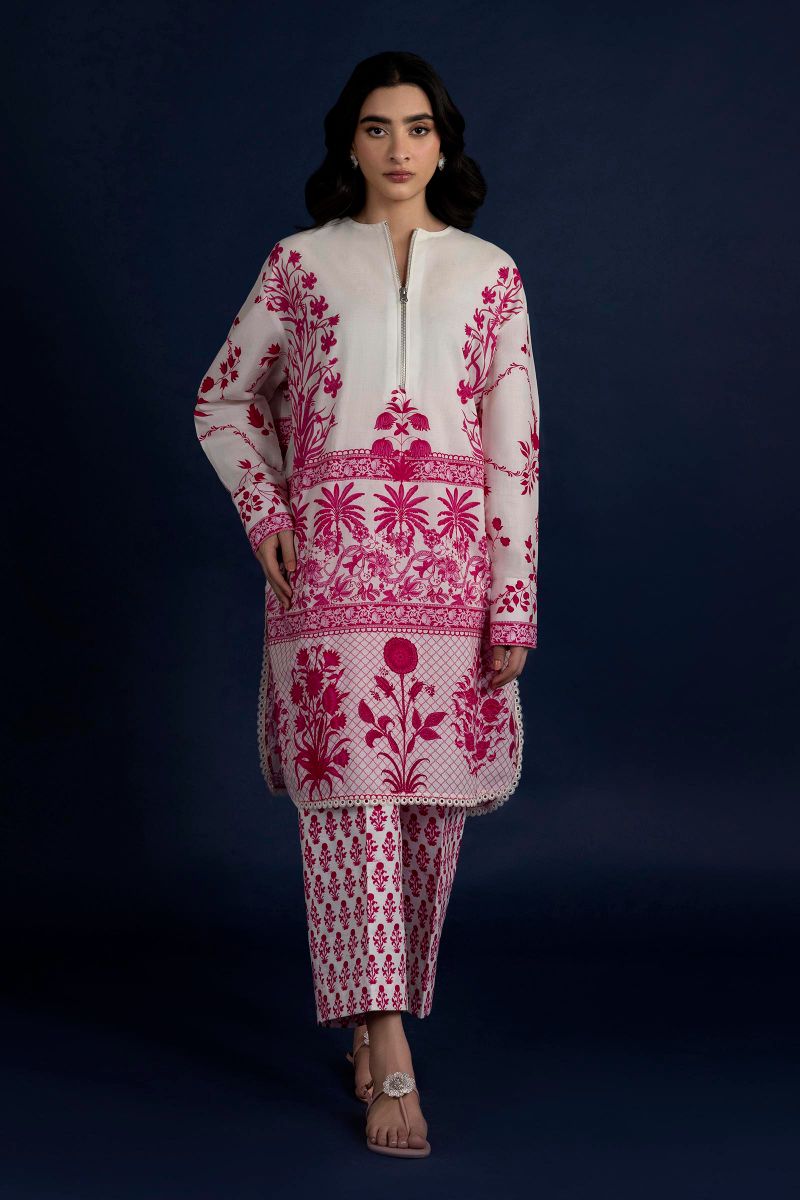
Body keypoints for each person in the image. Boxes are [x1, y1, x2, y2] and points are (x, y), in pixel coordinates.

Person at [194, 50, 541, 1158]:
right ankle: (387, 1044)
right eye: (379, 127)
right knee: (349, 801)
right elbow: (222, 400)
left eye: (419, 128)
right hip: (331, 576)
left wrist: (513, 598)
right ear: (350, 141)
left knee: (429, 810)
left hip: (450, 575)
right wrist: (264, 510)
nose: (399, 149)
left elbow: (515, 450)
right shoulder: (300, 265)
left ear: (444, 143)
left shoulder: (490, 275)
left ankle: (373, 1010)